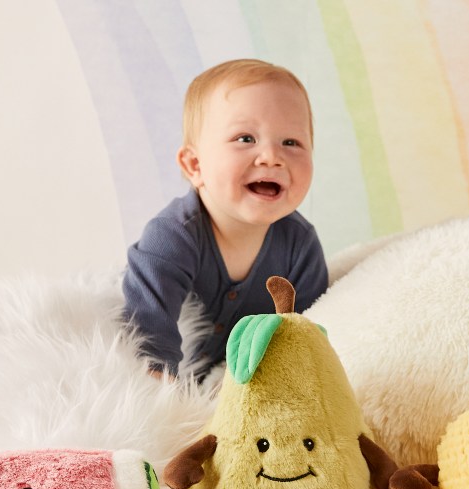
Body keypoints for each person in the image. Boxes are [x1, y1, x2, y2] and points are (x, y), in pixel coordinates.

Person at [122, 58, 329, 380]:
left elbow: (310, 341)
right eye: (245, 138)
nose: (272, 157)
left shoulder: (299, 246)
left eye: (291, 142)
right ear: (195, 165)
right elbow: (147, 345)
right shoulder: (170, 238)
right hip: (178, 387)